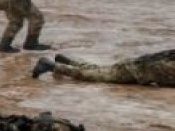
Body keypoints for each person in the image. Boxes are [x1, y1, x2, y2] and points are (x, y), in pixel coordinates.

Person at [33, 49, 175, 87]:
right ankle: (50, 65)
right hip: (135, 70)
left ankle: (69, 61)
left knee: (99, 70)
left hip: (136, 65)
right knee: (91, 76)